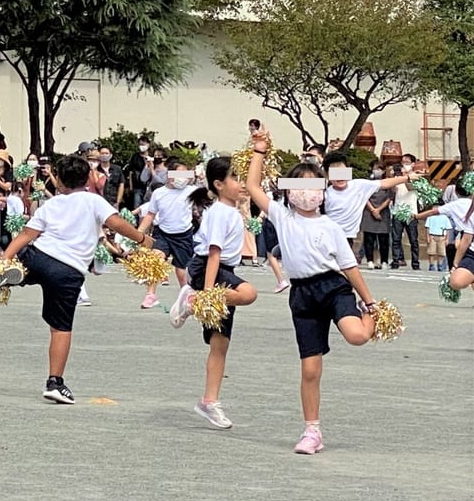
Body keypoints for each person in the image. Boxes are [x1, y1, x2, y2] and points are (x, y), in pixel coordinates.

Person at [0, 153, 152, 403]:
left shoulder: (52, 204)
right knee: (60, 328)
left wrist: (4, 257)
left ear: (58, 180)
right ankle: (55, 383)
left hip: (39, 255)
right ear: (88, 178)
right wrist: (142, 239)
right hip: (67, 270)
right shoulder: (94, 201)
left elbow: (27, 234)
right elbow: (115, 223)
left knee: (26, 260)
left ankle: (14, 272)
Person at [243, 139, 379, 455]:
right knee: (309, 369)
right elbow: (252, 185)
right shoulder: (282, 216)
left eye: (314, 186)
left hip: (334, 287)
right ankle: (312, 432)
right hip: (302, 294)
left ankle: (365, 314)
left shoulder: (330, 226)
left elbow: (350, 267)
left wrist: (370, 302)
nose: (307, 193)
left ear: (322, 191)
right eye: (300, 186)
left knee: (357, 336)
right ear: (289, 192)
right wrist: (259, 151)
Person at [167, 157, 259, 431]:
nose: (241, 183)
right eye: (235, 178)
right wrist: (208, 292)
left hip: (219, 270)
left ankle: (209, 401)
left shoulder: (231, 210)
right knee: (249, 292)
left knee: (220, 345)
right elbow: (214, 253)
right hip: (209, 268)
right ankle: (193, 299)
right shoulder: (220, 212)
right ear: (219, 184)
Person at [136, 157, 195, 310]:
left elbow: (209, 200)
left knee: (181, 270)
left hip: (183, 234)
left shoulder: (192, 191)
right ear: (170, 174)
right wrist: (139, 233)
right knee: (155, 260)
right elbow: (150, 214)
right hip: (162, 232)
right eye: (179, 174)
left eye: (185, 175)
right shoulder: (159, 193)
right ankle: (150, 295)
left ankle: (186, 295)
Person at [322, 151, 414, 249]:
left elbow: (384, 183)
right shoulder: (323, 192)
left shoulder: (358, 185)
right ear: (327, 175)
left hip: (346, 238)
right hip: (326, 237)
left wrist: (407, 178)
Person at [415, 171, 474, 294]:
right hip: (465, 238)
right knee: (456, 279)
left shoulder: (455, 204)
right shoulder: (469, 208)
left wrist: (417, 216)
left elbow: (433, 212)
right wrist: (456, 264)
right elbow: (466, 239)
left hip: (461, 235)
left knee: (450, 247)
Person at [388, 165, 421, 270]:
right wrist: (393, 178)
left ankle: (415, 263)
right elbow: (393, 190)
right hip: (398, 212)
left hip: (411, 213)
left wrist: (407, 177)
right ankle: (396, 261)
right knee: (396, 239)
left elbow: (410, 187)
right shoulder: (397, 179)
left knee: (413, 240)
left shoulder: (415, 177)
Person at [358, 184, 392, 269]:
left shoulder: (388, 185)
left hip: (383, 213)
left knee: (383, 240)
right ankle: (370, 261)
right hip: (369, 213)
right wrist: (373, 210)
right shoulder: (368, 184)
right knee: (369, 239)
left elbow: (389, 198)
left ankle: (384, 261)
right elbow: (364, 197)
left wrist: (378, 210)